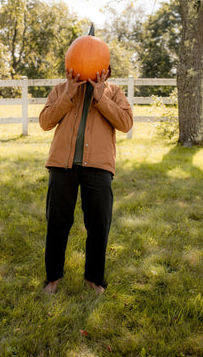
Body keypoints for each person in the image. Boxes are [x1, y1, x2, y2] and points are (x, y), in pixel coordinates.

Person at [39, 66, 133, 294]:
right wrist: (69, 93)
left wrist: (100, 95)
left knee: (99, 224)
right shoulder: (61, 89)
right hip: (62, 165)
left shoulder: (114, 92)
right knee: (57, 223)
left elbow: (125, 123)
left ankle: (94, 278)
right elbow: (45, 122)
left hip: (99, 166)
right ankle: (53, 278)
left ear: (107, 71)